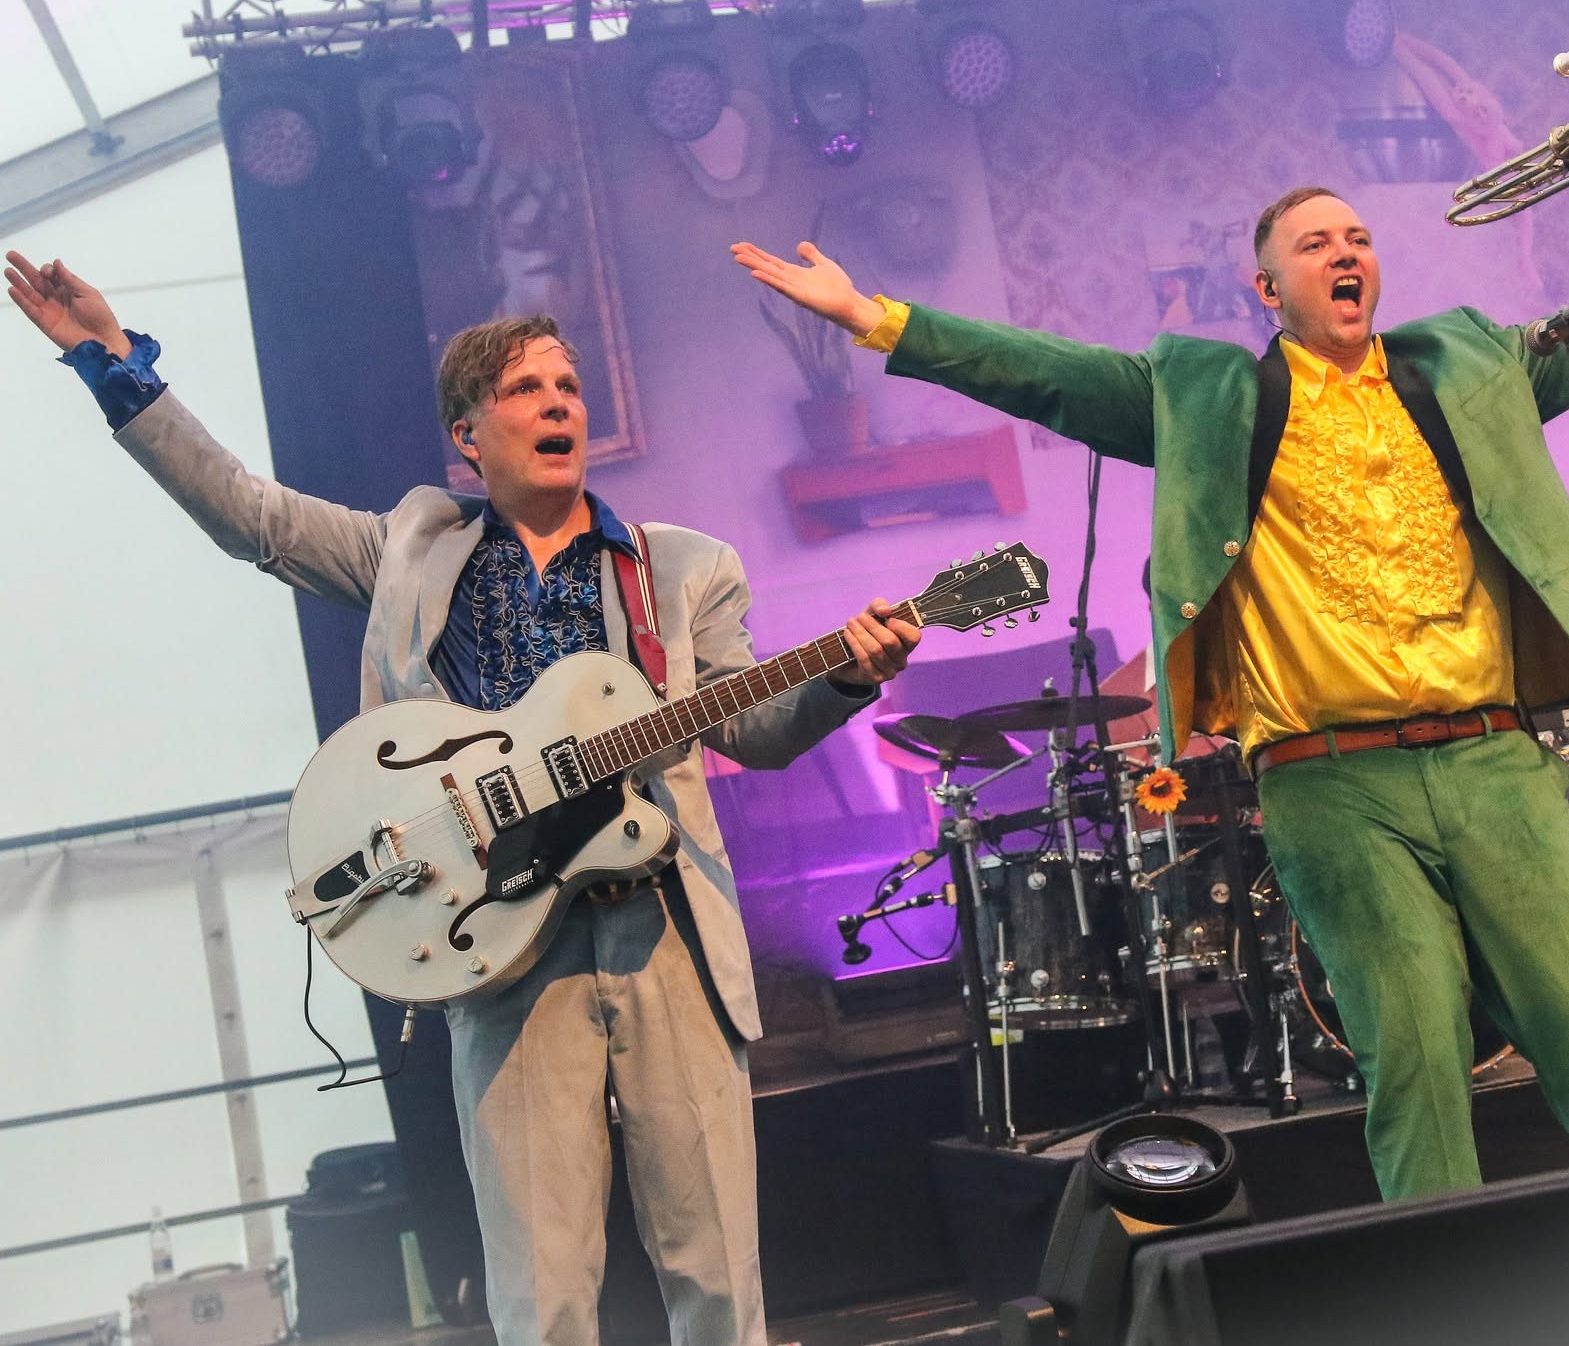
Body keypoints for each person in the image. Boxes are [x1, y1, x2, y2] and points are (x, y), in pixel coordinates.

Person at [735, 58, 1569, 1200]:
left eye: (1358, 238)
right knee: (1417, 1064)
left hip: (1493, 756)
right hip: (1333, 783)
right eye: (1316, 243)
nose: (1345, 252)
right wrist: (877, 317)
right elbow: (1045, 374)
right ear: (1265, 285)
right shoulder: (1209, 399)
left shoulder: (1467, 364)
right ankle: (1447, 1276)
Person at [5, 254, 921, 1346]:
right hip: (494, 947)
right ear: (468, 435)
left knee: (718, 1282)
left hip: (660, 933)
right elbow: (249, 514)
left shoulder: (681, 570)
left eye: (569, 387)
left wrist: (844, 678)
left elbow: (751, 727)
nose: (558, 403)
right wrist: (111, 362)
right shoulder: (408, 549)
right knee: (541, 1298)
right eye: (527, 389)